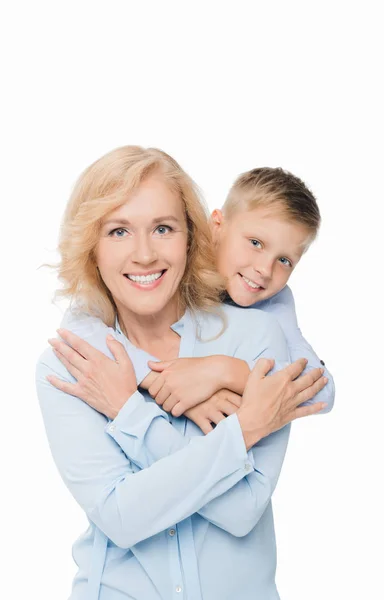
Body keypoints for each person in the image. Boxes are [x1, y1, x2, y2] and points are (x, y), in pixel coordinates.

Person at [36, 146, 327, 600]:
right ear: (91, 248)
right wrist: (244, 429)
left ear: (192, 236)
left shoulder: (258, 338)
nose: (145, 254)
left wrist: (129, 412)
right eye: (118, 231)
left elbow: (243, 509)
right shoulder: (75, 363)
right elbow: (121, 516)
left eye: (164, 228)